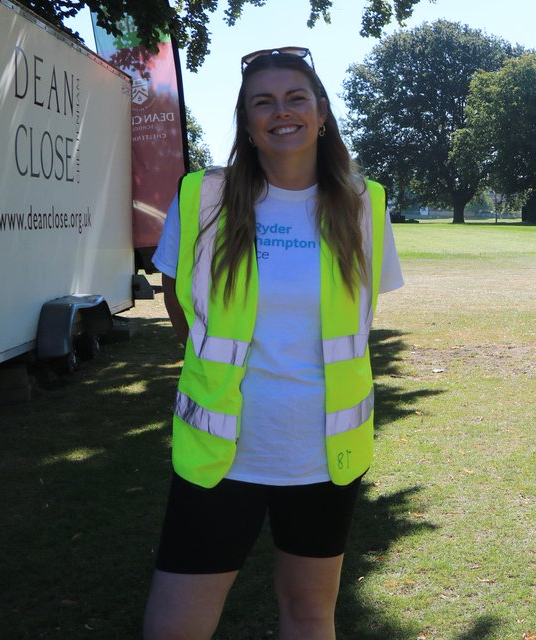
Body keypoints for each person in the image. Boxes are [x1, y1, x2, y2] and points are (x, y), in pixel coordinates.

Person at [143, 46, 403, 639]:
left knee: (311, 616)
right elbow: (177, 298)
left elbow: (360, 319)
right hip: (221, 452)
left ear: (320, 112)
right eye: (263, 102)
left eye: (295, 98)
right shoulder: (202, 197)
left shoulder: (365, 204)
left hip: (324, 452)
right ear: (247, 121)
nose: (281, 112)